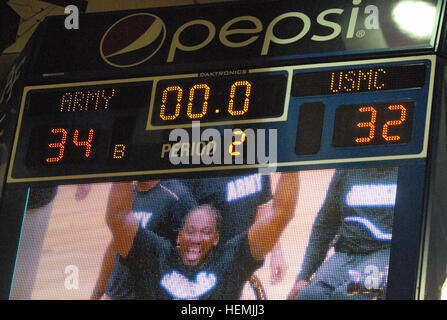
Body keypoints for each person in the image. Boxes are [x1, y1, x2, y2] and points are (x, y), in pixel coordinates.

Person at [106, 173, 298, 299]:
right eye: (190, 231)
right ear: (179, 236)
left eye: (206, 232)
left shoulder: (230, 260)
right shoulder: (158, 256)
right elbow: (118, 217)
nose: (196, 238)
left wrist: (292, 163)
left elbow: (280, 214)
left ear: (216, 238)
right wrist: (124, 163)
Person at [288, 167, 398, 300]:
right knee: (310, 295)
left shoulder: (406, 168)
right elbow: (325, 225)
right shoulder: (347, 169)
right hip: (347, 253)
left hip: (387, 252)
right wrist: (304, 276)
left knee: (348, 295)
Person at [91, 179, 197, 299]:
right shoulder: (129, 194)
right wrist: (97, 293)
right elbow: (115, 248)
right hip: (115, 294)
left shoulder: (177, 197)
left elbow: (192, 255)